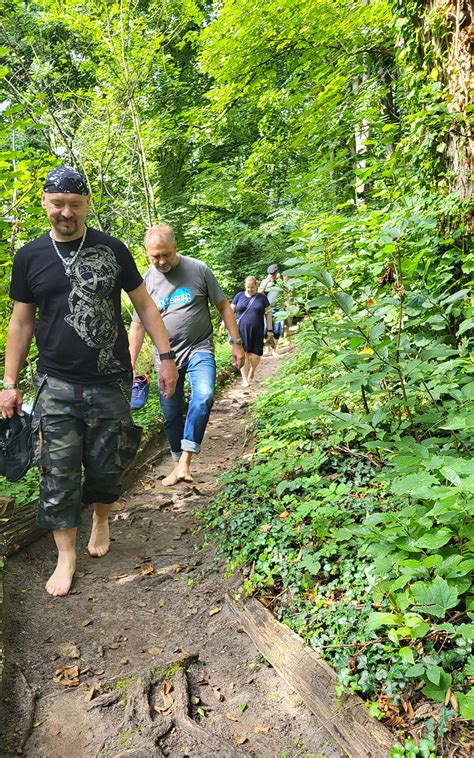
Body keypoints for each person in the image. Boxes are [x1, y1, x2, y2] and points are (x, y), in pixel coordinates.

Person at [0, 166, 178, 597]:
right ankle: (66, 555)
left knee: (107, 465)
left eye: (75, 205)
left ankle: (101, 517)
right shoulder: (30, 257)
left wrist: (166, 357)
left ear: (87, 205)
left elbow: (146, 307)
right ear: (44, 201)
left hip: (108, 381)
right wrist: (9, 381)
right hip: (54, 384)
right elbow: (21, 324)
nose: (66, 213)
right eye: (58, 204)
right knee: (56, 473)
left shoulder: (111, 249)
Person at [129, 224, 245, 486]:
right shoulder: (145, 281)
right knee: (170, 415)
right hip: (165, 356)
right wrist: (130, 364)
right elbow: (137, 326)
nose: (161, 261)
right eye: (154, 257)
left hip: (199, 347)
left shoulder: (198, 270)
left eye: (165, 255)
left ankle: (185, 462)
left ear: (175, 247)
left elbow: (224, 306)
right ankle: (177, 464)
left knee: (203, 396)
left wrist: (236, 342)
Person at [231, 275, 274, 387]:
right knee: (244, 354)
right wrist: (224, 323)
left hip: (257, 331)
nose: (250, 290)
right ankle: (244, 379)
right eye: (248, 287)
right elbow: (230, 310)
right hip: (241, 330)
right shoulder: (239, 296)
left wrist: (270, 331)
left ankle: (252, 369)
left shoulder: (262, 298)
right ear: (245, 286)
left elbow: (269, 314)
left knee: (255, 356)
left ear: (256, 286)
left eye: (252, 287)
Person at [258, 263, 285, 353]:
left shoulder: (281, 283)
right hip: (267, 309)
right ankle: (267, 349)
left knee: (277, 330)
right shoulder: (265, 282)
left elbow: (286, 294)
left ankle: (274, 349)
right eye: (270, 274)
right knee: (266, 329)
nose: (272, 276)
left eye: (274, 274)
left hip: (279, 309)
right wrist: (267, 281)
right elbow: (260, 291)